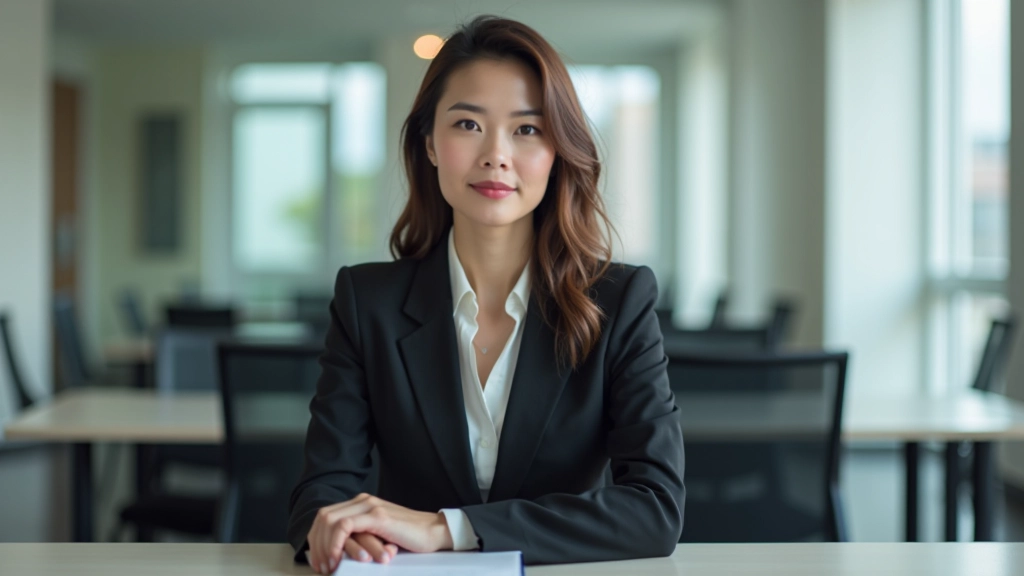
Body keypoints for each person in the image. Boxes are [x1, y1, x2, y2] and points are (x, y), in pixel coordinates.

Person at [288, 15, 684, 572]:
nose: (496, 154)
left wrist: (446, 529)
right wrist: (344, 535)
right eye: (468, 125)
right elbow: (321, 492)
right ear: (429, 144)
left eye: (527, 129)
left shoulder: (619, 301)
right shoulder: (366, 301)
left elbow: (655, 509)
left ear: (557, 152)